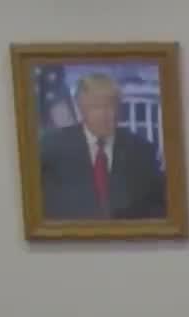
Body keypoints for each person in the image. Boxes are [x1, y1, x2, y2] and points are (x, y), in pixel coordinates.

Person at [38, 72, 167, 221]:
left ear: (119, 109)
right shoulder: (52, 148)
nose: (104, 115)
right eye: (96, 107)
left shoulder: (141, 151)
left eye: (110, 106)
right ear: (81, 109)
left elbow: (157, 210)